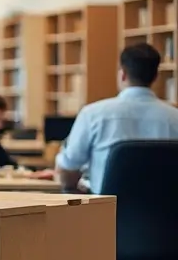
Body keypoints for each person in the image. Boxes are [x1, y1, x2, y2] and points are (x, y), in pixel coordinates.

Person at [56, 43, 178, 193]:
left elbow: (67, 171)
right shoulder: (175, 118)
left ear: (123, 74)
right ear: (156, 77)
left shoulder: (93, 114)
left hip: (106, 213)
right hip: (166, 213)